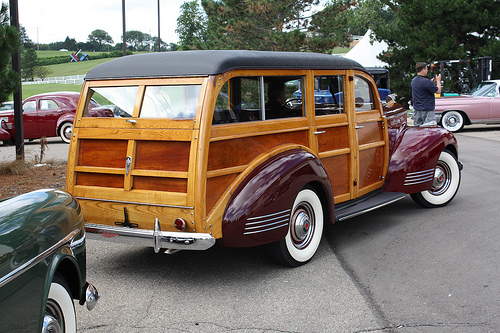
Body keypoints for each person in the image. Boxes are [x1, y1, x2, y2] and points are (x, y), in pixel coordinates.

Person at [411, 62, 442, 126]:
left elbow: (423, 88)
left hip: (417, 110)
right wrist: (438, 81)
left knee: (418, 129)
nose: (427, 71)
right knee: (429, 129)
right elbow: (438, 91)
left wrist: (431, 83)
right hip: (427, 110)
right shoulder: (426, 82)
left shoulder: (414, 81)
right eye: (426, 69)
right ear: (423, 70)